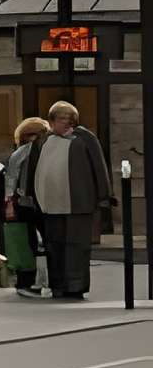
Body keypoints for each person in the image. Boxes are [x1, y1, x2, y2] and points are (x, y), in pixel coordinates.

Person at [37, 100, 115, 301]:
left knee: (76, 246)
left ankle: (75, 285)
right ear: (51, 121)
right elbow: (34, 170)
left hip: (78, 203)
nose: (65, 122)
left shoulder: (83, 139)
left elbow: (99, 166)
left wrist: (104, 195)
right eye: (61, 119)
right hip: (50, 205)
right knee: (54, 245)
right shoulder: (45, 141)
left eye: (68, 119)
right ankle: (58, 285)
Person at [1, 118, 49, 296]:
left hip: (24, 202)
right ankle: (29, 282)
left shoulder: (20, 152)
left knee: (25, 242)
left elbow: (11, 179)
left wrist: (9, 202)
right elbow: (12, 179)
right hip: (34, 202)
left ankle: (26, 281)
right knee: (33, 242)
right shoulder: (33, 151)